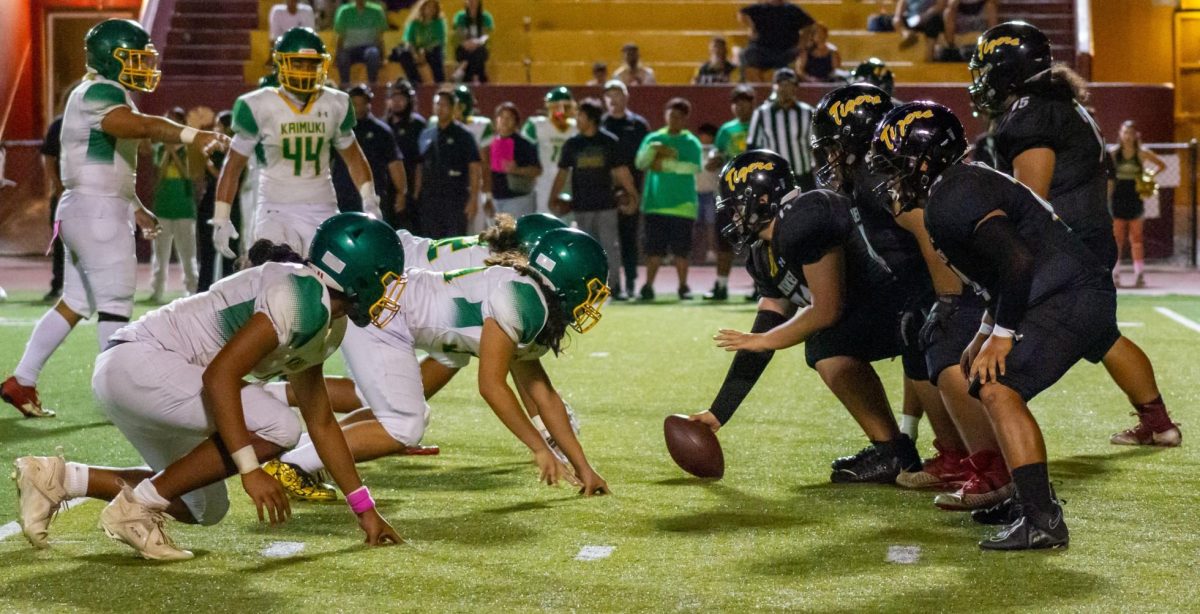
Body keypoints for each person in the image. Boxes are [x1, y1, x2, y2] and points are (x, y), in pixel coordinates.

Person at [12, 213, 405, 559]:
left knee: (202, 506)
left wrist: (364, 509)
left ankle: (57, 478)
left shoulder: (324, 318)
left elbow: (321, 422)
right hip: (142, 364)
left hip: (143, 373)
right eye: (386, 280)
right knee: (280, 426)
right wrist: (250, 469)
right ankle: (139, 506)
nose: (389, 293)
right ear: (358, 276)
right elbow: (220, 376)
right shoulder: (300, 297)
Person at [869, 101, 1122, 550]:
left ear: (924, 160)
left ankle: (1042, 518)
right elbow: (997, 270)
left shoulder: (955, 195)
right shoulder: (956, 187)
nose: (893, 177)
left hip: (1068, 295)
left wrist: (1001, 335)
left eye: (898, 164)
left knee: (997, 387)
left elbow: (1017, 260)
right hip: (1062, 291)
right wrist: (986, 327)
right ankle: (1023, 502)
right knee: (983, 380)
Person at [265, 228, 613, 499]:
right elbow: (491, 385)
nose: (592, 303)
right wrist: (538, 447)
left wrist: (584, 468)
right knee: (404, 424)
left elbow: (543, 393)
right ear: (570, 283)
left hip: (394, 315)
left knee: (403, 415)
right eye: (592, 290)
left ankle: (297, 458)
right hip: (382, 312)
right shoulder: (524, 302)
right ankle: (292, 464)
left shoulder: (535, 302)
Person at [2, 19, 229, 419]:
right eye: (134, 59)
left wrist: (135, 204)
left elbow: (107, 163)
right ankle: (119, 396)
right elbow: (137, 126)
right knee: (116, 304)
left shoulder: (100, 91)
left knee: (75, 302)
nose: (144, 67)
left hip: (88, 206)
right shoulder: (102, 91)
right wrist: (194, 135)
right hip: (97, 211)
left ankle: (22, 379)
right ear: (110, 58)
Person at [971, 21, 1180, 447]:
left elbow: (1030, 201)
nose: (982, 78)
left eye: (988, 68)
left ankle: (989, 457)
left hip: (1066, 250)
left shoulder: (1032, 112)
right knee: (1102, 334)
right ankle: (1160, 425)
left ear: (1008, 70)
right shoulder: (1059, 103)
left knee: (992, 353)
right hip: (1088, 239)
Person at [810, 85, 999, 503]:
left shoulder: (882, 175)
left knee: (929, 337)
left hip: (952, 288)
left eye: (833, 145)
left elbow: (930, 235)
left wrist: (946, 303)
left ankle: (972, 458)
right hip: (919, 289)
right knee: (879, 337)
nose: (828, 156)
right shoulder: (867, 174)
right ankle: (927, 452)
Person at [687, 150, 922, 483]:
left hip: (909, 306)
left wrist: (765, 340)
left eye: (737, 206)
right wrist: (719, 411)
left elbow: (826, 310)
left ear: (764, 199)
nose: (734, 218)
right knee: (826, 345)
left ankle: (912, 452)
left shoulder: (804, 217)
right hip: (879, 313)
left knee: (825, 344)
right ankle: (892, 450)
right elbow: (762, 333)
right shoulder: (763, 253)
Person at [213, 27, 382, 259]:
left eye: (311, 64)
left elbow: (353, 157)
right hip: (275, 208)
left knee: (330, 281)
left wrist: (370, 200)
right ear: (281, 64)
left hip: (322, 206)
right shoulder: (258, 104)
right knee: (275, 276)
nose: (306, 71)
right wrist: (221, 216)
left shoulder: (335, 102)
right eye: (298, 64)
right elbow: (233, 165)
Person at [550, 99, 639, 294]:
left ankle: (614, 286)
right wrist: (553, 197)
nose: (576, 119)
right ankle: (587, 290)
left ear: (591, 119)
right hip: (581, 206)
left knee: (609, 248)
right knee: (584, 251)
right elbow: (563, 173)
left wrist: (632, 194)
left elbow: (621, 171)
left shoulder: (608, 142)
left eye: (581, 115)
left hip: (606, 205)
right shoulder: (572, 144)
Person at [635, 98, 702, 301]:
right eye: (671, 115)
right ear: (665, 116)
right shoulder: (654, 139)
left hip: (683, 205)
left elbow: (692, 167)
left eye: (679, 117)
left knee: (682, 251)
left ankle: (683, 287)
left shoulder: (691, 142)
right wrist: (653, 149)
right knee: (653, 251)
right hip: (656, 204)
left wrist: (663, 165)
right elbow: (641, 163)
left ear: (685, 119)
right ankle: (648, 286)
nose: (674, 120)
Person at [702, 85, 755, 301]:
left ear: (753, 103)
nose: (739, 106)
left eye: (744, 101)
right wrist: (714, 158)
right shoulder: (726, 130)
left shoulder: (759, 124)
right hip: (731, 193)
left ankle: (760, 287)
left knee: (757, 241)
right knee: (725, 240)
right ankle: (721, 286)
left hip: (755, 192)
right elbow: (718, 152)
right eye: (736, 101)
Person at [331, 84, 408, 229]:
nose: (359, 107)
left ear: (369, 104)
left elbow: (395, 163)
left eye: (362, 103)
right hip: (343, 195)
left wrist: (401, 192)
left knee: (373, 234)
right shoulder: (339, 129)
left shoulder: (381, 131)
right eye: (355, 103)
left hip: (373, 196)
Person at [601, 80, 651, 299]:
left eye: (617, 94)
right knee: (606, 240)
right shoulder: (600, 124)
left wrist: (634, 192)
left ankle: (630, 281)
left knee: (629, 237)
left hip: (633, 189)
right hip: (604, 190)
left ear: (626, 97)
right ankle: (611, 284)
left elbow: (645, 159)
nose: (613, 100)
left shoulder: (638, 125)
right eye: (609, 96)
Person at [148, 107, 200, 303]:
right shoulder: (159, 148)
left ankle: (192, 289)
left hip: (184, 208)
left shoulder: (190, 148)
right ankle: (157, 290)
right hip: (162, 207)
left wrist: (174, 153)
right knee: (159, 254)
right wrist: (166, 151)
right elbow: (159, 175)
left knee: (187, 253)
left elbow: (188, 175)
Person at [414, 88, 481, 237]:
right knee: (431, 241)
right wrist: (417, 192)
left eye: (444, 104)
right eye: (437, 104)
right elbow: (420, 165)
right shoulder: (426, 134)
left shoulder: (464, 135)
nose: (440, 108)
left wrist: (473, 199)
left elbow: (474, 167)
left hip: (455, 198)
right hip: (430, 199)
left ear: (453, 107)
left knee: (454, 241)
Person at [1109, 120, 1166, 288]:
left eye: (1131, 133)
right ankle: (1115, 275)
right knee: (1117, 239)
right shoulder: (1113, 153)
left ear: (1135, 136)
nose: (1127, 136)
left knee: (1136, 238)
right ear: (1120, 134)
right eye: (1125, 132)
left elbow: (1161, 165)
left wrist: (1148, 177)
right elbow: (1105, 173)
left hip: (1135, 198)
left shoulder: (1142, 153)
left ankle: (1139, 275)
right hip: (1118, 198)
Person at [747, 68, 815, 190]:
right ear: (774, 87)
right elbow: (752, 147)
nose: (784, 89)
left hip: (803, 175)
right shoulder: (762, 113)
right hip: (774, 177)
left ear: (795, 87)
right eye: (781, 84)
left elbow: (815, 144)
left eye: (789, 84)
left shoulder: (807, 112)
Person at [196, 111, 241, 291]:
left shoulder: (237, 151)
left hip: (229, 205)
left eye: (218, 125)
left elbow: (224, 177)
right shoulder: (215, 149)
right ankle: (202, 292)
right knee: (207, 254)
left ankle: (229, 293)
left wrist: (207, 161)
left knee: (230, 253)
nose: (215, 129)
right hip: (209, 204)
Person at [522, 86, 578, 213]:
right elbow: (524, 153)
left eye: (566, 107)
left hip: (570, 179)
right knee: (545, 217)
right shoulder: (537, 125)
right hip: (544, 179)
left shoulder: (576, 127)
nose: (562, 111)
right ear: (549, 107)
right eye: (557, 107)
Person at [483, 102, 541, 218]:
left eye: (509, 117)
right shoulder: (490, 144)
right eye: (501, 117)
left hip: (518, 199)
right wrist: (488, 197)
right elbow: (486, 172)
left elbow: (537, 170)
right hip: (495, 199)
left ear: (516, 121)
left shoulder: (524, 144)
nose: (504, 121)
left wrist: (516, 170)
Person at [384, 78, 428, 228]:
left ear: (409, 100)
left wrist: (414, 194)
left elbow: (420, 164)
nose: (397, 102)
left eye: (401, 98)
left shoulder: (418, 125)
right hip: (386, 190)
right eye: (393, 98)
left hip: (410, 189)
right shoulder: (383, 126)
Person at [738, 0, 815, 82]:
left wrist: (801, 44)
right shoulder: (759, 8)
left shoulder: (792, 9)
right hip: (761, 50)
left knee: (802, 56)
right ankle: (759, 88)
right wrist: (751, 27)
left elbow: (809, 25)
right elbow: (742, 13)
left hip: (786, 51)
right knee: (747, 55)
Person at [40, 112, 65, 303]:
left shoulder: (98, 121)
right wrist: (58, 187)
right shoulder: (59, 124)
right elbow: (48, 158)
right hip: (64, 194)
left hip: (91, 193)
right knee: (60, 240)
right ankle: (58, 285)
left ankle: (93, 288)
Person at [333, 0, 388, 87]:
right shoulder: (344, 11)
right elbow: (340, 37)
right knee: (342, 57)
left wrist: (383, 57)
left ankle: (373, 86)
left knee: (373, 53)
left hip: (369, 48)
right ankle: (345, 86)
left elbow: (379, 38)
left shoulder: (376, 11)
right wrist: (336, 56)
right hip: (349, 49)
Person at [393, 0, 447, 85]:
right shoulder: (414, 23)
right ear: (422, 8)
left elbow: (438, 41)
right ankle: (415, 82)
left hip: (430, 50)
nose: (431, 9)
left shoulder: (438, 23)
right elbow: (409, 41)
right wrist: (415, 54)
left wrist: (423, 52)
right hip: (415, 50)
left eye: (433, 7)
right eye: (428, 7)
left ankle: (440, 83)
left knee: (436, 53)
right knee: (403, 52)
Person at [451, 0, 493, 83]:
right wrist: (465, 43)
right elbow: (457, 34)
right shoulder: (460, 17)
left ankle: (463, 67)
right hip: (464, 48)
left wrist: (477, 43)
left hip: (480, 47)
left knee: (478, 52)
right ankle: (478, 77)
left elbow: (486, 35)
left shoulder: (486, 17)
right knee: (471, 55)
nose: (472, 3)